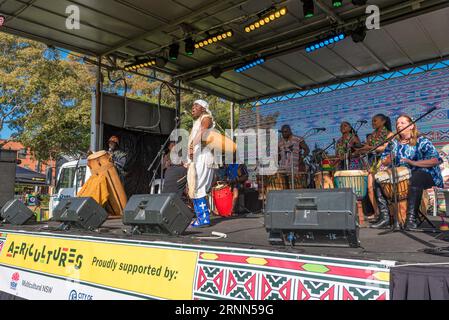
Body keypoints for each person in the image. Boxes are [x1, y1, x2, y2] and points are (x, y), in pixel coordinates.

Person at [371, 114, 443, 230]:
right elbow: (384, 161)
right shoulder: (394, 143)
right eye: (397, 124)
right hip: (403, 175)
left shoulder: (422, 141)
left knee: (415, 177)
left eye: (402, 123)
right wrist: (387, 161)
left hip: (426, 174)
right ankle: (385, 217)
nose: (399, 125)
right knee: (378, 180)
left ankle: (411, 220)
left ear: (411, 126)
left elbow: (436, 160)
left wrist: (414, 163)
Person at [354, 114, 394, 222]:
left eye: (375, 121)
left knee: (382, 190)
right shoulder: (372, 135)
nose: (373, 123)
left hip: (384, 162)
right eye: (372, 121)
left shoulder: (390, 134)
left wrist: (370, 148)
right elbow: (367, 148)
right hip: (373, 163)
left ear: (383, 121)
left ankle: (388, 213)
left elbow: (385, 148)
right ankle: (377, 214)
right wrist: (359, 150)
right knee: (370, 188)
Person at [187, 99, 215, 227]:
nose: (193, 107)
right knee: (194, 187)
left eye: (196, 105)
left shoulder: (206, 117)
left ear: (203, 108)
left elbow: (203, 129)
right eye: (193, 105)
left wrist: (192, 145)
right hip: (198, 158)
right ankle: (201, 217)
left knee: (198, 187)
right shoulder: (198, 120)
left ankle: (203, 218)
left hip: (203, 157)